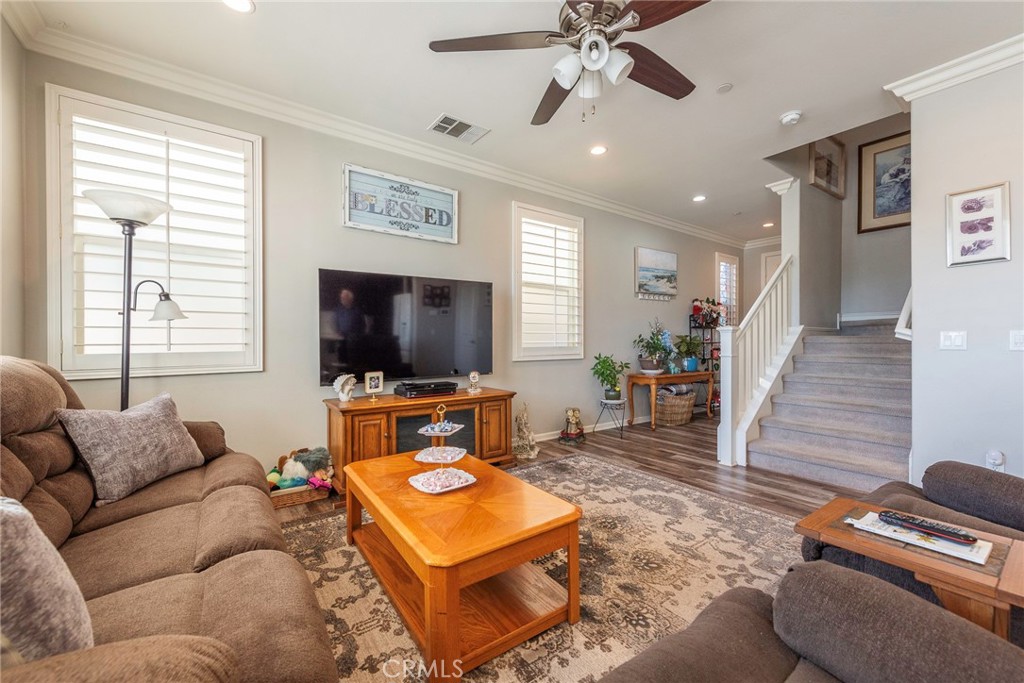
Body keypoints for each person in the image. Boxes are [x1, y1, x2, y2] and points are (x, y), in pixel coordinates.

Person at [333, 288, 368, 368]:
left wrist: (358, 337)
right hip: (342, 339)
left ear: (350, 299)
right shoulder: (338, 310)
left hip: (354, 341)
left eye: (343, 298)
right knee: (342, 363)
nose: (341, 299)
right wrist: (338, 331)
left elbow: (363, 325)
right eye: (341, 297)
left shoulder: (357, 311)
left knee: (352, 364)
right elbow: (335, 322)